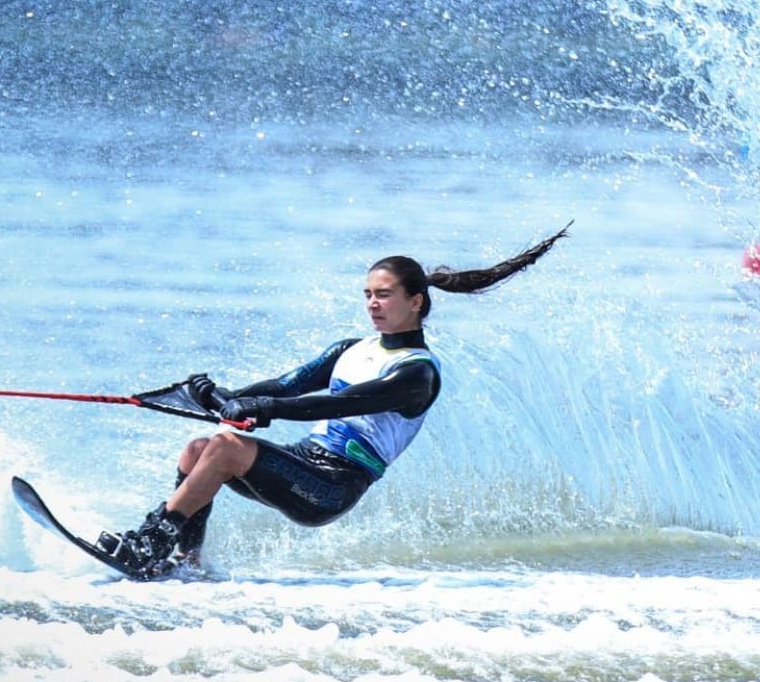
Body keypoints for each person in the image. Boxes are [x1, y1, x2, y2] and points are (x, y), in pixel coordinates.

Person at [99, 227, 569, 576]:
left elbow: (336, 406)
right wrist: (217, 395)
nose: (372, 304)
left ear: (418, 302)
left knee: (225, 447)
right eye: (367, 295)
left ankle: (149, 543)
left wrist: (260, 410)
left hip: (332, 486)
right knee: (200, 448)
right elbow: (286, 387)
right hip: (302, 462)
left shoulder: (417, 372)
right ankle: (185, 561)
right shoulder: (349, 349)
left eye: (384, 295)